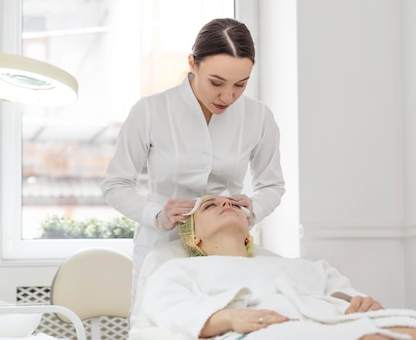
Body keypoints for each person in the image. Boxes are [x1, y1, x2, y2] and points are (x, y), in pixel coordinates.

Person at [101, 17, 286, 292]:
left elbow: (272, 185)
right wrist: (156, 215)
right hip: (161, 247)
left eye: (240, 84)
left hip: (226, 250)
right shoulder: (151, 111)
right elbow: (115, 184)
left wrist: (252, 209)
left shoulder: (258, 117)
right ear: (192, 64)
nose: (227, 96)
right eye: (216, 82)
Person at [134, 195, 416, 340]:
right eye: (211, 205)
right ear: (196, 239)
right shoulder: (178, 270)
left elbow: (342, 292)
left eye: (234, 202)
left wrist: (361, 301)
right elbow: (167, 307)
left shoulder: (301, 267)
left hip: (335, 319)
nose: (226, 202)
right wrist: (227, 318)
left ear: (250, 233)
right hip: (269, 328)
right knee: (372, 338)